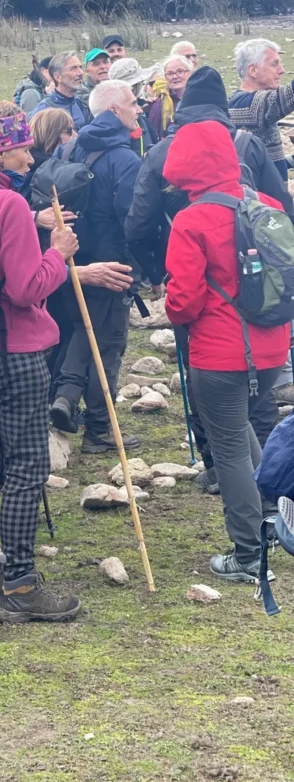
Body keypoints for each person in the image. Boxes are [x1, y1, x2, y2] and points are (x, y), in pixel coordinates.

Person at [125, 66, 293, 489]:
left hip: (194, 286)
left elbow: (138, 224)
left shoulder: (162, 153)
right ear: (222, 108)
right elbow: (284, 210)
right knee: (259, 385)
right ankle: (270, 476)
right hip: (264, 287)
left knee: (207, 377)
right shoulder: (247, 143)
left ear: (183, 109)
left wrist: (156, 271)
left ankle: (219, 467)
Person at [0, 111, 81, 621]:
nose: (30, 156)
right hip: (15, 353)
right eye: (22, 148)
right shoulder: (8, 204)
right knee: (27, 466)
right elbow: (27, 289)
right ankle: (22, 585)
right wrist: (58, 252)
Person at [163, 120, 289, 582]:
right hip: (273, 348)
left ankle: (249, 554)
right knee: (242, 431)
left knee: (230, 445)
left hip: (220, 352)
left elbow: (185, 301)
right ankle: (275, 517)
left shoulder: (191, 220)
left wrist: (170, 302)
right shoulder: (267, 205)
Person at [49, 80, 147, 453]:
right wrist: (144, 268)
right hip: (113, 264)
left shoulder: (71, 147)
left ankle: (64, 397)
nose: (138, 108)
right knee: (108, 344)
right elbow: (133, 219)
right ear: (113, 111)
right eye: (132, 103)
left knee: (79, 330)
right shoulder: (125, 159)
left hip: (73, 257)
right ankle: (100, 429)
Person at [228, 38, 293, 180]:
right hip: (260, 200)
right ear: (253, 70)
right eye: (274, 64)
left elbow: (266, 163)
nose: (282, 70)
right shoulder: (250, 105)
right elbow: (288, 95)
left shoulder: (248, 104)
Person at [107, 58, 158, 156]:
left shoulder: (107, 114)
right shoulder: (123, 119)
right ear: (134, 87)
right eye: (141, 83)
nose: (143, 86)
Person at [30, 51, 92, 130]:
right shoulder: (45, 109)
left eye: (80, 67)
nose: (81, 73)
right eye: (73, 68)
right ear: (58, 77)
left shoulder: (81, 105)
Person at [147, 55, 193, 140]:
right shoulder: (159, 104)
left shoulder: (200, 99)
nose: (175, 76)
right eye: (170, 73)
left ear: (190, 73)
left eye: (180, 71)